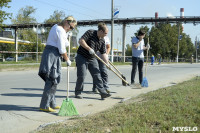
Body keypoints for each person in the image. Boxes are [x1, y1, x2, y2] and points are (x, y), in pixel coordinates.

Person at [38, 16, 77, 112]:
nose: (70, 29)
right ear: (67, 23)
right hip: (52, 54)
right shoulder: (60, 30)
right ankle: (44, 105)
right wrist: (67, 59)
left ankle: (52, 103)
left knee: (55, 79)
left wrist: (68, 35)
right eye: (71, 27)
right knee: (51, 79)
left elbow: (66, 43)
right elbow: (62, 48)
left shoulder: (58, 27)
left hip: (54, 54)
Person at [74, 22, 111, 100]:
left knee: (97, 74)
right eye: (105, 33)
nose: (106, 35)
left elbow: (103, 53)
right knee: (82, 75)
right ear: (100, 31)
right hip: (82, 57)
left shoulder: (102, 41)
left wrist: (107, 64)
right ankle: (78, 92)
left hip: (92, 58)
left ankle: (102, 92)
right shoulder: (90, 32)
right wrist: (89, 49)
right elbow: (81, 41)